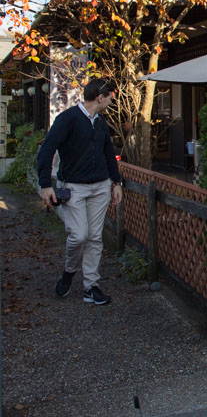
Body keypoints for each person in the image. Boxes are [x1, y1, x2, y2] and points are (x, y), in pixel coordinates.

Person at [37, 78, 123, 305]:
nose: (112, 99)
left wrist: (116, 183)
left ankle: (90, 287)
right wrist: (45, 185)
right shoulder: (68, 119)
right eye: (110, 96)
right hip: (73, 187)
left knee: (95, 238)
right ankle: (69, 270)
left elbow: (109, 153)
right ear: (99, 97)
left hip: (101, 187)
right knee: (79, 235)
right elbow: (46, 150)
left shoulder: (101, 123)